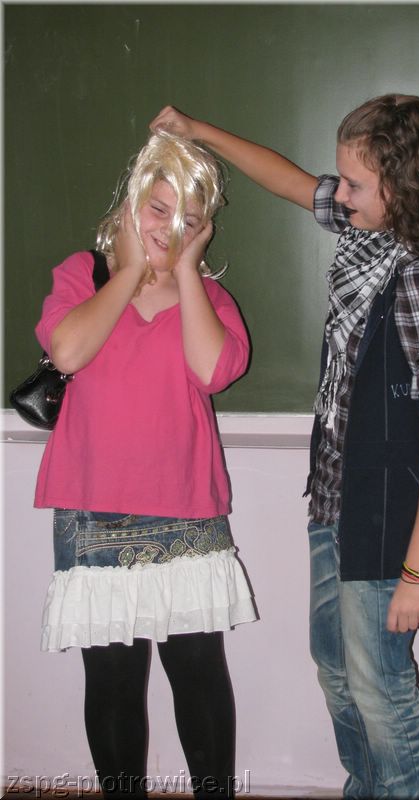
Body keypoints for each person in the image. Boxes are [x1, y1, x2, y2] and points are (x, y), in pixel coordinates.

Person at [151, 94, 419, 798]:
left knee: (381, 687)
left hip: (385, 517)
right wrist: (197, 129)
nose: (340, 194)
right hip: (335, 502)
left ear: (406, 186)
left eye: (356, 183)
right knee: (336, 669)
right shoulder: (372, 233)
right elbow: (289, 181)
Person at [33, 131, 256, 800]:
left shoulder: (208, 297)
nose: (170, 226)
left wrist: (185, 271)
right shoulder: (83, 274)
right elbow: (68, 351)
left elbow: (214, 370)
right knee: (112, 681)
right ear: (132, 203)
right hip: (94, 511)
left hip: (186, 510)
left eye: (189, 217)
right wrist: (129, 270)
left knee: (198, 672)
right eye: (159, 208)